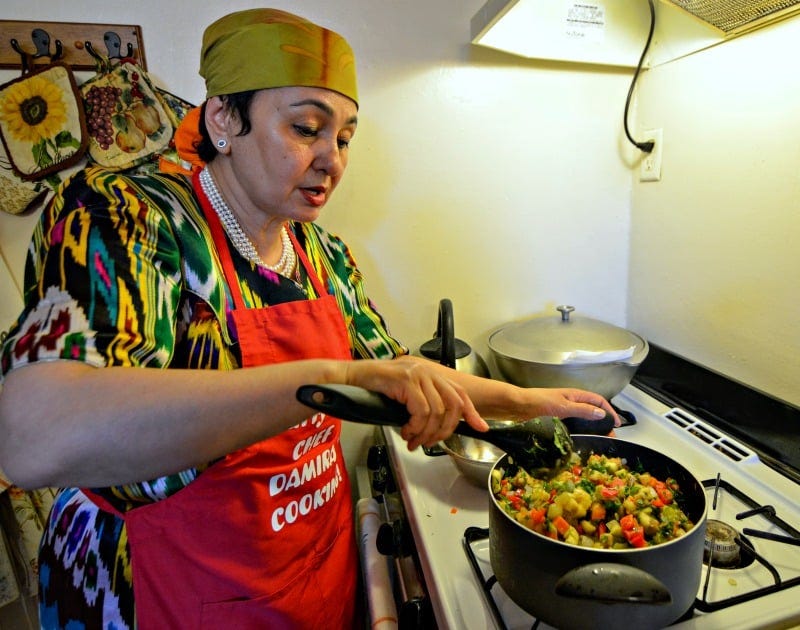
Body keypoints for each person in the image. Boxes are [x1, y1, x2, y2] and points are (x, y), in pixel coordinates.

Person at [0, 8, 618, 629]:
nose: (333, 160)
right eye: (305, 128)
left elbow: (398, 371)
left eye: (345, 138)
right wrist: (325, 374)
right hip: (161, 590)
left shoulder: (322, 254)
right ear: (223, 121)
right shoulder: (126, 217)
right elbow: (35, 438)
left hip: (307, 572)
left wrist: (526, 400)